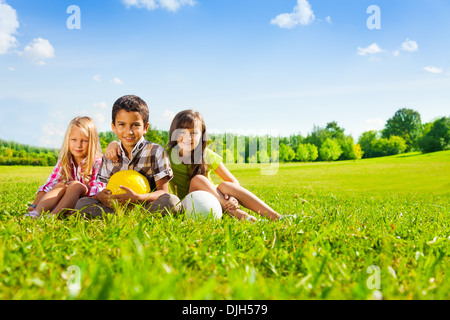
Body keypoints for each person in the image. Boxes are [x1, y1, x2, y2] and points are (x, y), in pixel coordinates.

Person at [106, 110, 294, 222]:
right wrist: (114, 144)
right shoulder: (166, 155)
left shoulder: (207, 156)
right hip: (188, 204)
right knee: (197, 179)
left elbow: (233, 182)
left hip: (215, 201)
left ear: (201, 135)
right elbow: (143, 153)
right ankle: (234, 213)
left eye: (194, 133)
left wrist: (228, 196)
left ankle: (275, 217)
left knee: (225, 185)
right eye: (182, 133)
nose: (188, 138)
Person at [75, 95, 180, 218]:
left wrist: (137, 198)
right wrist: (101, 196)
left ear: (145, 127)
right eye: (121, 124)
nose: (128, 131)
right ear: (113, 127)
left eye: (135, 125)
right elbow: (100, 189)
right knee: (82, 204)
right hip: (114, 207)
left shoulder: (156, 152)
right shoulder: (109, 156)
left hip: (145, 205)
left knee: (172, 202)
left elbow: (163, 192)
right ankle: (129, 216)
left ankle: (128, 216)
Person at [25, 116, 104, 219]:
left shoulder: (97, 163)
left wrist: (81, 209)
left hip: (84, 201)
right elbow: (50, 184)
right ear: (68, 140)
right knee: (60, 184)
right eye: (74, 140)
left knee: (75, 185)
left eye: (84, 141)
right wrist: (34, 205)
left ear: (92, 142)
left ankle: (53, 216)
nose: (78, 145)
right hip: (64, 200)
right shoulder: (64, 161)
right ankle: (36, 213)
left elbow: (96, 193)